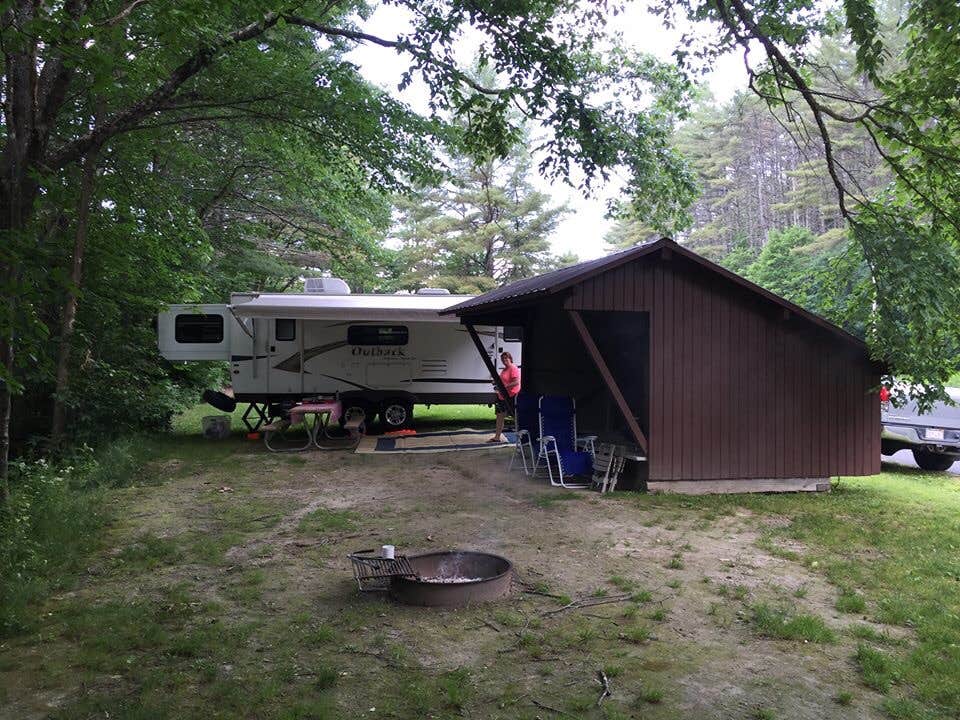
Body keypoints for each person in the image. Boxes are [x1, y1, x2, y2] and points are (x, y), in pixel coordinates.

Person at [489, 351, 521, 443]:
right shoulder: (504, 369)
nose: (504, 360)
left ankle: (522, 437)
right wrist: (496, 382)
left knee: (515, 417)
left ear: (510, 359)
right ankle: (497, 437)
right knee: (499, 416)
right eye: (502, 359)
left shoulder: (513, 368)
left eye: (506, 358)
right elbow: (501, 380)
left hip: (510, 396)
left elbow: (516, 382)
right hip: (501, 396)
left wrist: (504, 387)